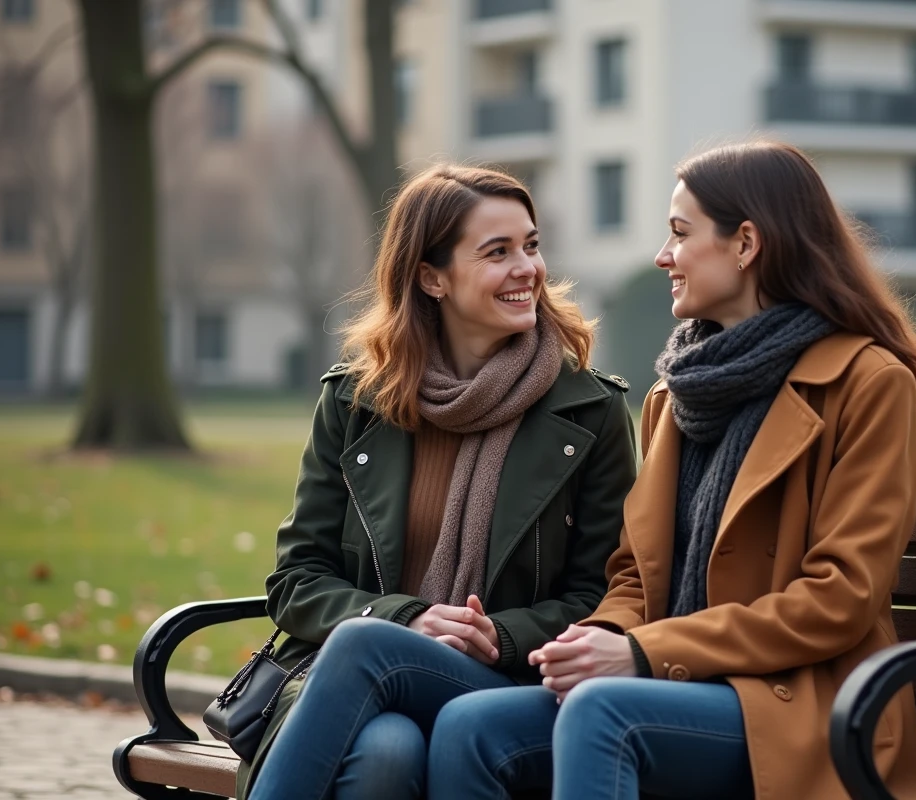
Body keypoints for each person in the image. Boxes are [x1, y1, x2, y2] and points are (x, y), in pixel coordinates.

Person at [428, 140, 916, 800]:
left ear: (746, 244)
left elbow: (839, 598)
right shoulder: (676, 397)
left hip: (806, 707)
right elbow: (635, 574)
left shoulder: (868, 384)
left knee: (602, 712)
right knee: (469, 726)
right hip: (678, 689)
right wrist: (601, 637)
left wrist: (644, 652)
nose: (662, 256)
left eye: (679, 233)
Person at [238, 164, 639, 800]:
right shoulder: (356, 403)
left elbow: (605, 593)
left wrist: (500, 636)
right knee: (386, 752)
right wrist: (408, 620)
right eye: (497, 252)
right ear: (432, 278)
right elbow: (297, 581)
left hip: (504, 687)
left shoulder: (589, 414)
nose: (527, 269)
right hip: (343, 688)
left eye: (531, 246)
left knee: (367, 646)